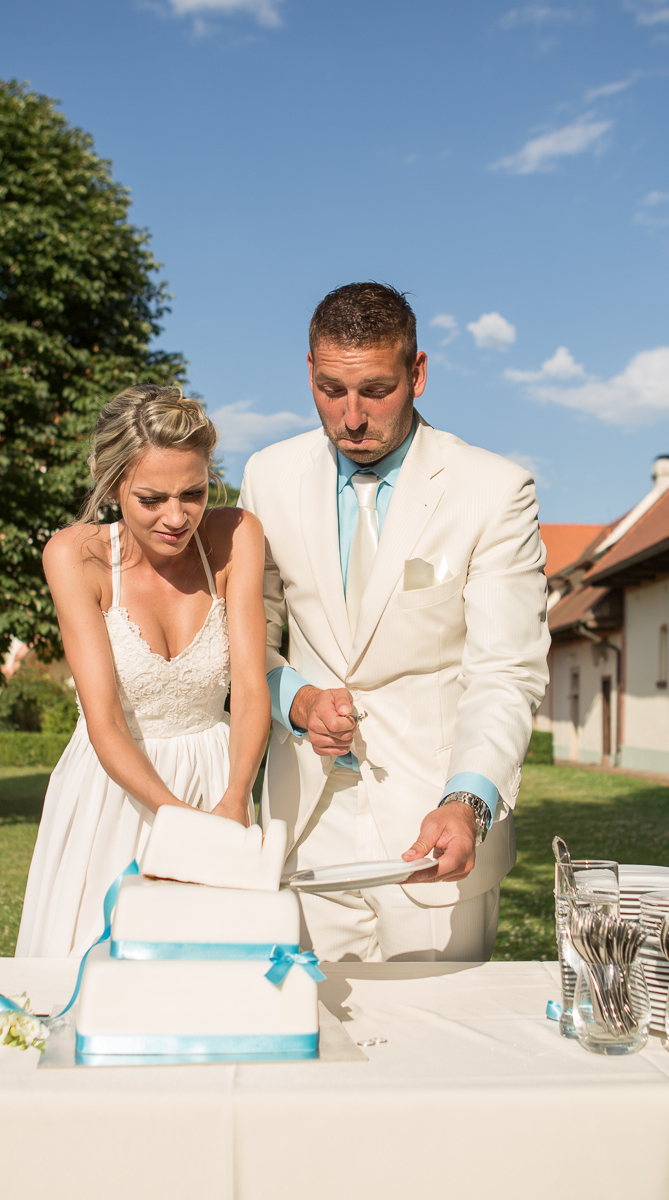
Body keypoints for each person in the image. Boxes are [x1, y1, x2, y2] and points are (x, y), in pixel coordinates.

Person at [238, 283, 549, 962]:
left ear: (418, 373)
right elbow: (244, 639)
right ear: (310, 372)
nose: (351, 417)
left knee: (439, 1027)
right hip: (304, 824)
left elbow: (505, 672)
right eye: (330, 390)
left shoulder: (494, 491)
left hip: (435, 829)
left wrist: (468, 802)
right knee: (308, 1019)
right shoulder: (268, 475)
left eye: (375, 391)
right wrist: (296, 700)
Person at [16, 385, 270, 958]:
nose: (176, 518)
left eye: (193, 493)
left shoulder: (236, 536)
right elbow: (104, 722)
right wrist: (181, 822)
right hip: (115, 789)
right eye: (151, 499)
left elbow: (251, 689)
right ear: (112, 486)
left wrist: (234, 798)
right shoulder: (73, 556)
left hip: (219, 782)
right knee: (95, 966)